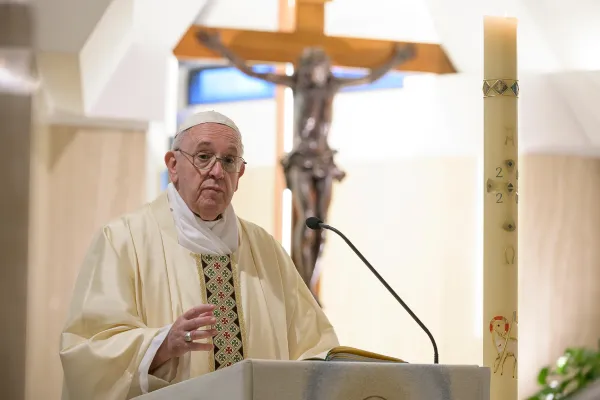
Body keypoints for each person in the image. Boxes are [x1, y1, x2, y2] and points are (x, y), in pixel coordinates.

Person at [59, 111, 340, 399]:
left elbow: (315, 346)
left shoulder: (266, 250)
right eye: (203, 157)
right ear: (173, 165)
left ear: (239, 174)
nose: (217, 172)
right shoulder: (122, 240)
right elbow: (87, 350)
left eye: (229, 161)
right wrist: (161, 344)